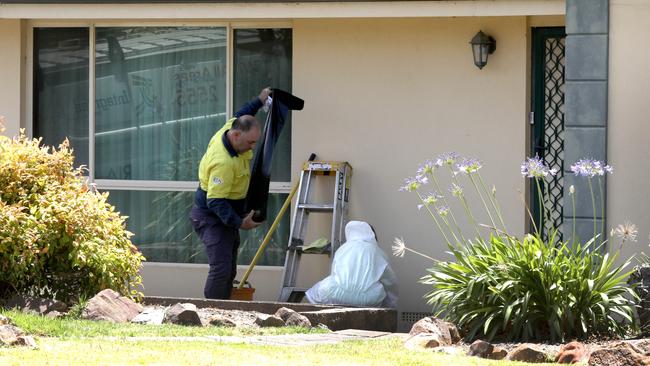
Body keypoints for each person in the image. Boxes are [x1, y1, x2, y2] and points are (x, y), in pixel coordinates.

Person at [190, 87, 271, 299]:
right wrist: (239, 222)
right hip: (211, 217)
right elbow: (215, 202)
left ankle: (225, 308)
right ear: (236, 135)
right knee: (221, 269)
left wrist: (260, 100)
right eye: (250, 142)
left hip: (225, 213)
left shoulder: (231, 128)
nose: (252, 147)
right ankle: (210, 312)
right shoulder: (223, 162)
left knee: (229, 268)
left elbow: (243, 112)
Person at [305, 221, 399, 308]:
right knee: (382, 289)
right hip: (369, 299)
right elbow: (390, 282)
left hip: (337, 295)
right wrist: (391, 304)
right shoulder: (377, 251)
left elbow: (334, 274)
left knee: (317, 290)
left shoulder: (343, 248)